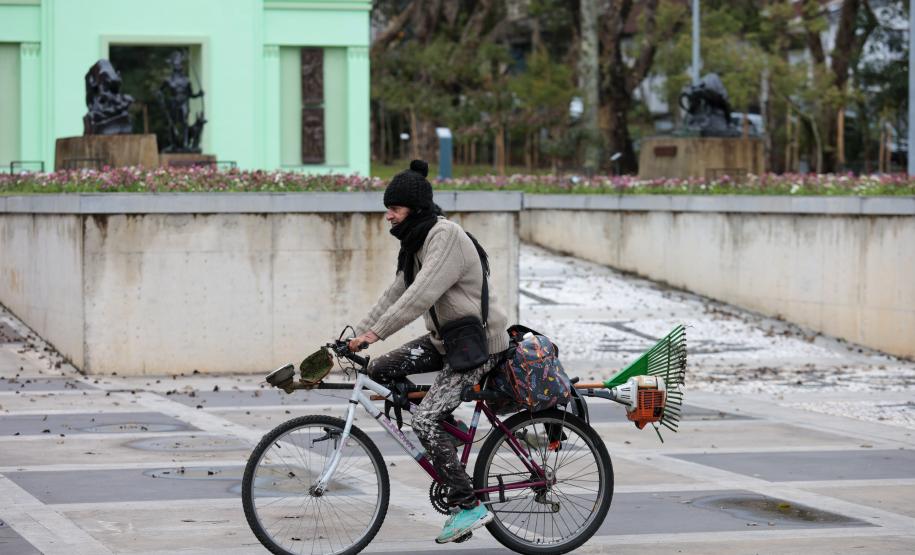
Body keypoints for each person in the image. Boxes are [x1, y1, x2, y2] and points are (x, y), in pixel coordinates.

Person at [348, 159, 508, 544]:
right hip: (446, 340)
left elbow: (420, 296)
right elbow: (396, 291)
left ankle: (468, 504)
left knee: (424, 422)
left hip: (477, 344)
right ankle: (447, 440)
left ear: (414, 210)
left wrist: (376, 332)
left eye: (394, 209)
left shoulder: (444, 236)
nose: (388, 217)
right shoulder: (415, 242)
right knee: (382, 370)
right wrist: (355, 334)